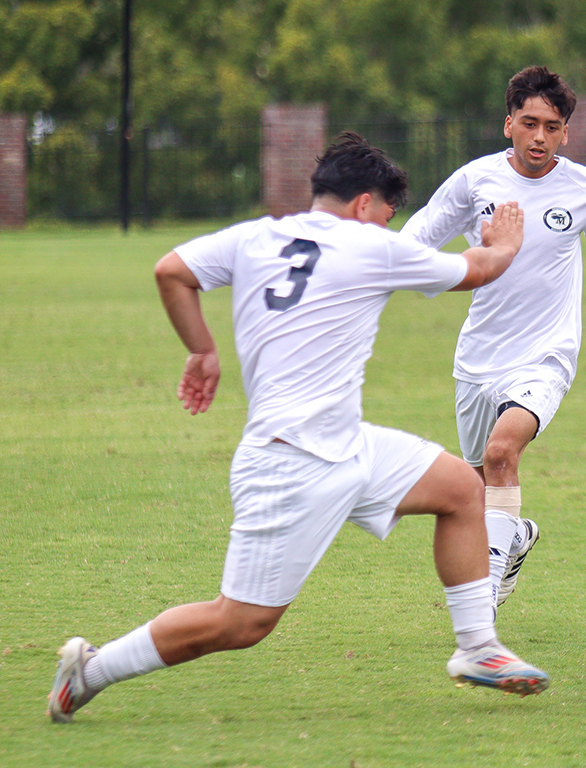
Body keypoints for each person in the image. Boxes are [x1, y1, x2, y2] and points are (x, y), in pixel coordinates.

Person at [48, 133, 547, 724]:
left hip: (346, 442)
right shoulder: (370, 248)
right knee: (241, 621)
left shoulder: (255, 236)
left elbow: (171, 271)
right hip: (291, 460)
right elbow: (477, 268)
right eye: (386, 219)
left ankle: (478, 650)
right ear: (364, 205)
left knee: (461, 489)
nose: (386, 232)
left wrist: (202, 351)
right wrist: (506, 241)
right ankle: (92, 669)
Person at [402, 66, 586, 615]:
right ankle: (515, 536)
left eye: (551, 126)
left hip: (546, 355)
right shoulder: (475, 181)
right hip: (478, 358)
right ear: (508, 124)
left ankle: (486, 601)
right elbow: (414, 245)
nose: (539, 137)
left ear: (566, 132)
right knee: (479, 493)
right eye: (529, 123)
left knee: (502, 452)